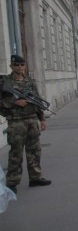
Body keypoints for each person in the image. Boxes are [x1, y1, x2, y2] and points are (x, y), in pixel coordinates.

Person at [0, 55, 51, 194]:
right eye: (16, 65)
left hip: (31, 120)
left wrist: (42, 119)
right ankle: (12, 183)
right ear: (11, 66)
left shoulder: (30, 81)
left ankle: (35, 177)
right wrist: (14, 102)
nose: (20, 67)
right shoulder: (5, 82)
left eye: (22, 65)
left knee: (34, 151)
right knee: (16, 153)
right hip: (16, 122)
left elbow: (36, 100)